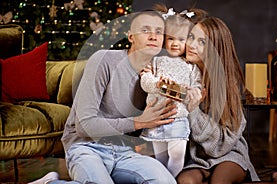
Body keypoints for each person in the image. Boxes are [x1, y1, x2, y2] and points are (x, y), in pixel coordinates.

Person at [29, 10, 178, 184]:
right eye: (145, 30)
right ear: (131, 37)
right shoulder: (104, 60)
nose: (153, 36)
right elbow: (85, 125)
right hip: (85, 147)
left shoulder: (157, 75)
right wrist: (139, 122)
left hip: (124, 151)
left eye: (159, 31)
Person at [176, 8, 277, 184]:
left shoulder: (226, 85)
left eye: (202, 42)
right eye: (191, 37)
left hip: (228, 153)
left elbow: (222, 145)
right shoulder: (182, 73)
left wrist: (194, 110)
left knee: (218, 182)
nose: (191, 44)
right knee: (185, 181)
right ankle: (276, 181)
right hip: (199, 157)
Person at [139, 4, 202, 177]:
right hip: (157, 117)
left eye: (181, 40)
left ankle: (170, 180)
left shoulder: (191, 66)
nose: (175, 44)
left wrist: (191, 91)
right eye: (171, 39)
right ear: (165, 38)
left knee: (177, 153)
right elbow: (145, 81)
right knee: (159, 156)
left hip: (178, 117)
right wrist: (158, 84)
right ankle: (160, 179)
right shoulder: (156, 60)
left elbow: (198, 86)